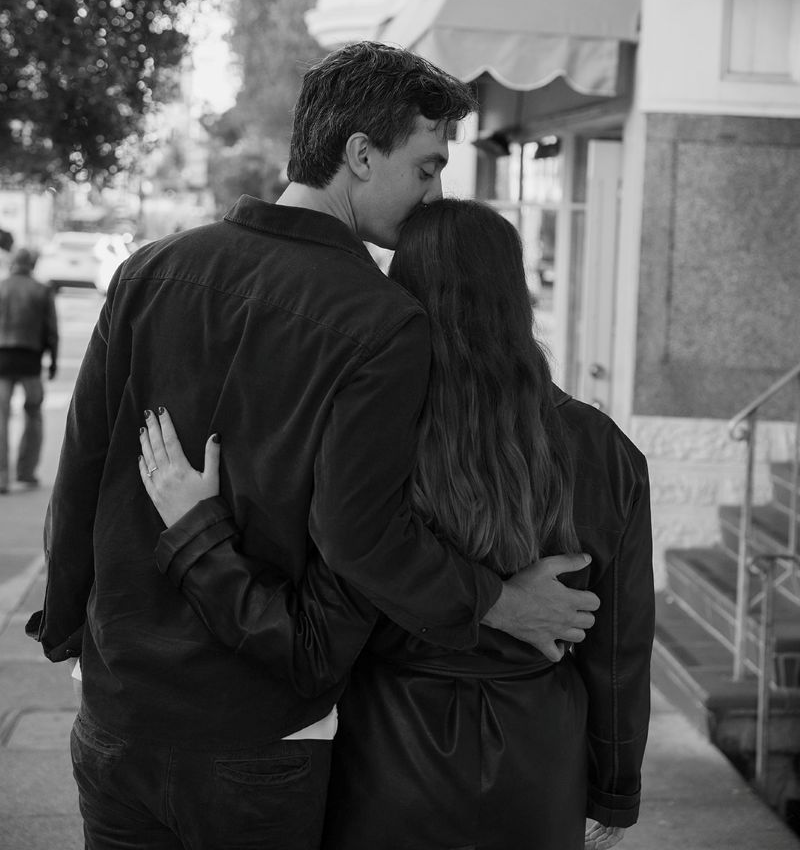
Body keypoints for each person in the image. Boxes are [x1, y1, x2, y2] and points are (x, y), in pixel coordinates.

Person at [26, 43, 600, 850]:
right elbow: (361, 534)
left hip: (118, 718)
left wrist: (67, 628)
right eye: (427, 167)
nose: (433, 194)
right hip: (259, 735)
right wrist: (500, 602)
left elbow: (82, 469)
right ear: (360, 154)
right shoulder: (383, 322)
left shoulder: (150, 270)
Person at [139, 199, 654, 850]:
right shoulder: (605, 450)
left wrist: (197, 532)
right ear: (517, 296)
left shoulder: (369, 436)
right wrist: (614, 787)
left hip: (384, 748)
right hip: (541, 754)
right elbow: (620, 649)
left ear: (400, 290)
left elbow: (309, 612)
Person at [0, 246, 59, 493]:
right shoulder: (41, 290)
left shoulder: (1, 286)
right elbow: (51, 330)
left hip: (2, 359)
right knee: (33, 414)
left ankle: (1, 477)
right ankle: (26, 471)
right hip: (30, 361)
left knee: (1, 416)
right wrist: (53, 361)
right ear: (32, 265)